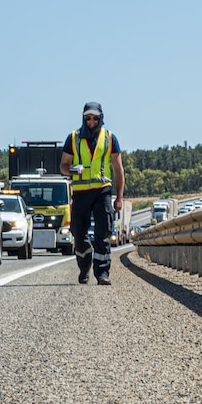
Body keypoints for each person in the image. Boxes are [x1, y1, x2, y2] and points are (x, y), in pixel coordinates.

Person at [60, 102, 125, 286]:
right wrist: (72, 170)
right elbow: (63, 166)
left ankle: (102, 272)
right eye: (88, 118)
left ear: (101, 118)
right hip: (80, 192)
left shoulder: (110, 138)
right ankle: (84, 265)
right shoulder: (72, 138)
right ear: (83, 117)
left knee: (103, 231)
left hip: (102, 191)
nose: (91, 121)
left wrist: (119, 198)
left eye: (95, 118)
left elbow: (119, 170)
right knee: (79, 234)